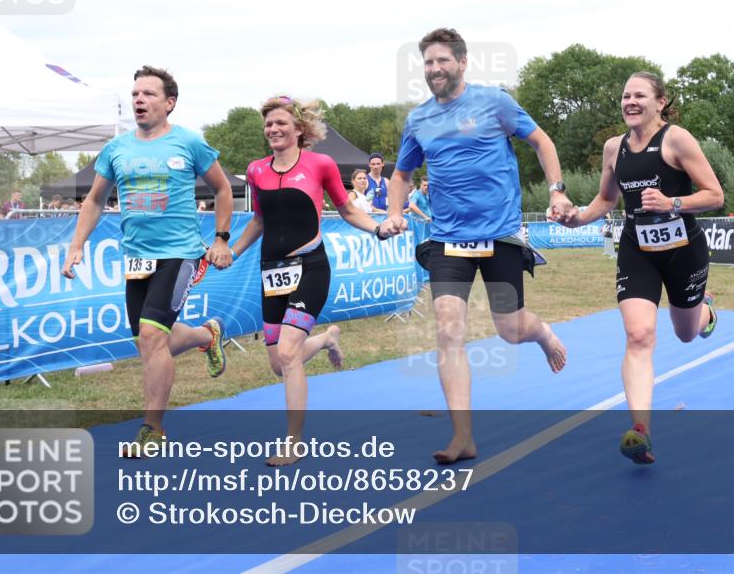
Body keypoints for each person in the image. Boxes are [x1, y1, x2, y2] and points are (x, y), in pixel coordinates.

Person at [386, 27, 571, 464]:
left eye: (442, 60)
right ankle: (463, 435)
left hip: (501, 233)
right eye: (428, 62)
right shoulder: (419, 120)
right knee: (448, 328)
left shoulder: (495, 102)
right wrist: (395, 212)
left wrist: (557, 190)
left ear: (462, 62)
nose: (434, 69)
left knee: (510, 331)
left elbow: (541, 141)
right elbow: (401, 175)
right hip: (448, 239)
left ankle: (540, 332)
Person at [62, 65, 234, 454]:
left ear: (169, 103)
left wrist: (221, 239)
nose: (139, 100)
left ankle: (152, 430)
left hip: (181, 254)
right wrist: (77, 245)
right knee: (147, 341)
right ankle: (207, 336)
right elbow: (93, 199)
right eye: (135, 94)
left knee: (154, 337)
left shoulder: (189, 143)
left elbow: (223, 189)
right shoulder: (117, 148)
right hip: (137, 257)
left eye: (148, 94)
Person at [557, 71, 724, 465]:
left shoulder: (677, 139)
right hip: (637, 250)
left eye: (640, 96)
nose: (630, 102)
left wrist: (672, 204)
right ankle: (640, 431)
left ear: (660, 102)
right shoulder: (614, 148)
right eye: (625, 96)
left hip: (684, 251)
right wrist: (577, 219)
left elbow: (715, 195)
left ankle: (706, 312)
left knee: (685, 334)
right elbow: (606, 199)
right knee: (639, 335)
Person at [232, 95, 401, 466]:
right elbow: (259, 222)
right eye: (268, 125)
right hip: (271, 272)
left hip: (310, 267)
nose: (273, 130)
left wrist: (378, 229)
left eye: (280, 123)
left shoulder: (320, 164)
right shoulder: (257, 170)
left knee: (290, 353)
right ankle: (326, 340)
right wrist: (232, 252)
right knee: (279, 364)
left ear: (299, 129)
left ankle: (293, 442)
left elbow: (346, 209)